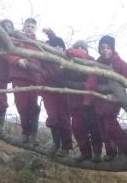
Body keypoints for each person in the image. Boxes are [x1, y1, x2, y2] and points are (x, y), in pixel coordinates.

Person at [85, 35, 127, 163]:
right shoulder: (97, 64)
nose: (105, 50)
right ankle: (111, 153)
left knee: (111, 128)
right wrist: (88, 101)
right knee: (103, 130)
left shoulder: (120, 63)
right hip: (99, 102)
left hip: (113, 101)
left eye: (108, 48)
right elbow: (91, 82)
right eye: (102, 48)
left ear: (112, 49)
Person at [64, 40, 103, 162]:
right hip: (75, 105)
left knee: (95, 129)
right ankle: (85, 153)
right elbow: (61, 77)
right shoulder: (68, 64)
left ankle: (97, 153)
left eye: (82, 48)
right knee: (78, 129)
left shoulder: (91, 61)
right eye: (77, 47)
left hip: (90, 104)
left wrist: (74, 51)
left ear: (87, 51)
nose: (79, 49)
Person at [7, 17, 43, 144]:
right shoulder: (16, 39)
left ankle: (33, 135)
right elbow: (8, 51)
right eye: (28, 26)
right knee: (21, 105)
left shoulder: (39, 44)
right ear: (23, 26)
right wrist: (17, 60)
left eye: (32, 27)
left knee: (33, 106)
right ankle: (25, 133)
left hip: (33, 78)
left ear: (35, 29)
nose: (30, 28)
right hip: (19, 76)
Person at [41, 28, 73, 156]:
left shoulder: (68, 62)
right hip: (49, 92)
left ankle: (66, 146)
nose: (58, 49)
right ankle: (56, 143)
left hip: (64, 93)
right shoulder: (45, 60)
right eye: (55, 46)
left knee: (64, 118)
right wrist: (51, 35)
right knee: (53, 118)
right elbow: (44, 44)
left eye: (61, 47)